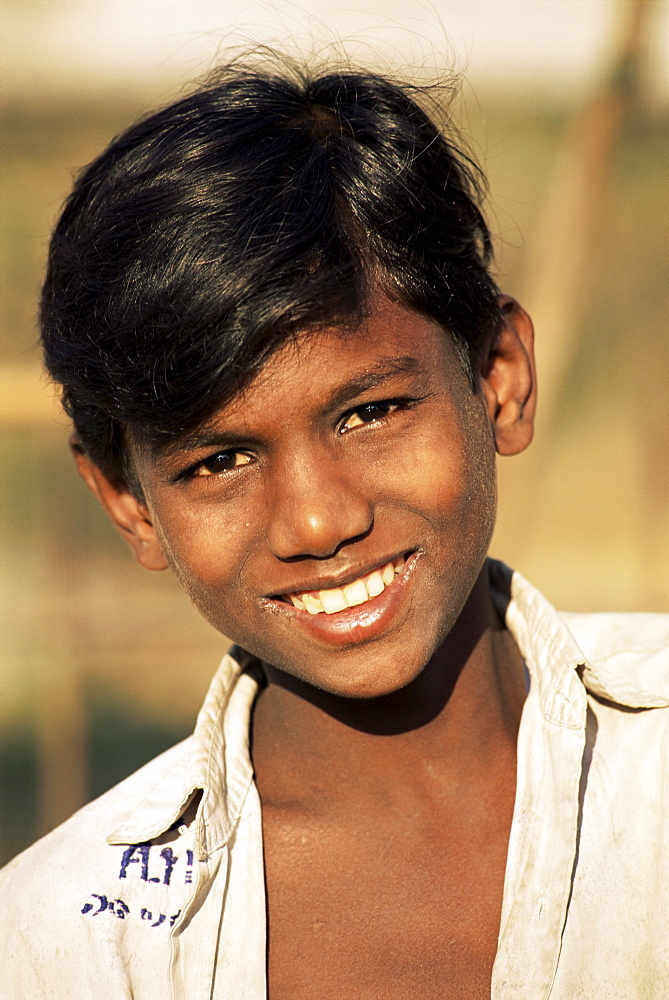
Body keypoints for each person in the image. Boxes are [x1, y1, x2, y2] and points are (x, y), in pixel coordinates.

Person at [1, 57, 667, 1000]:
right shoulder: (61, 949)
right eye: (218, 461)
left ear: (499, 378)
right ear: (127, 503)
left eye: (371, 413)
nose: (318, 520)